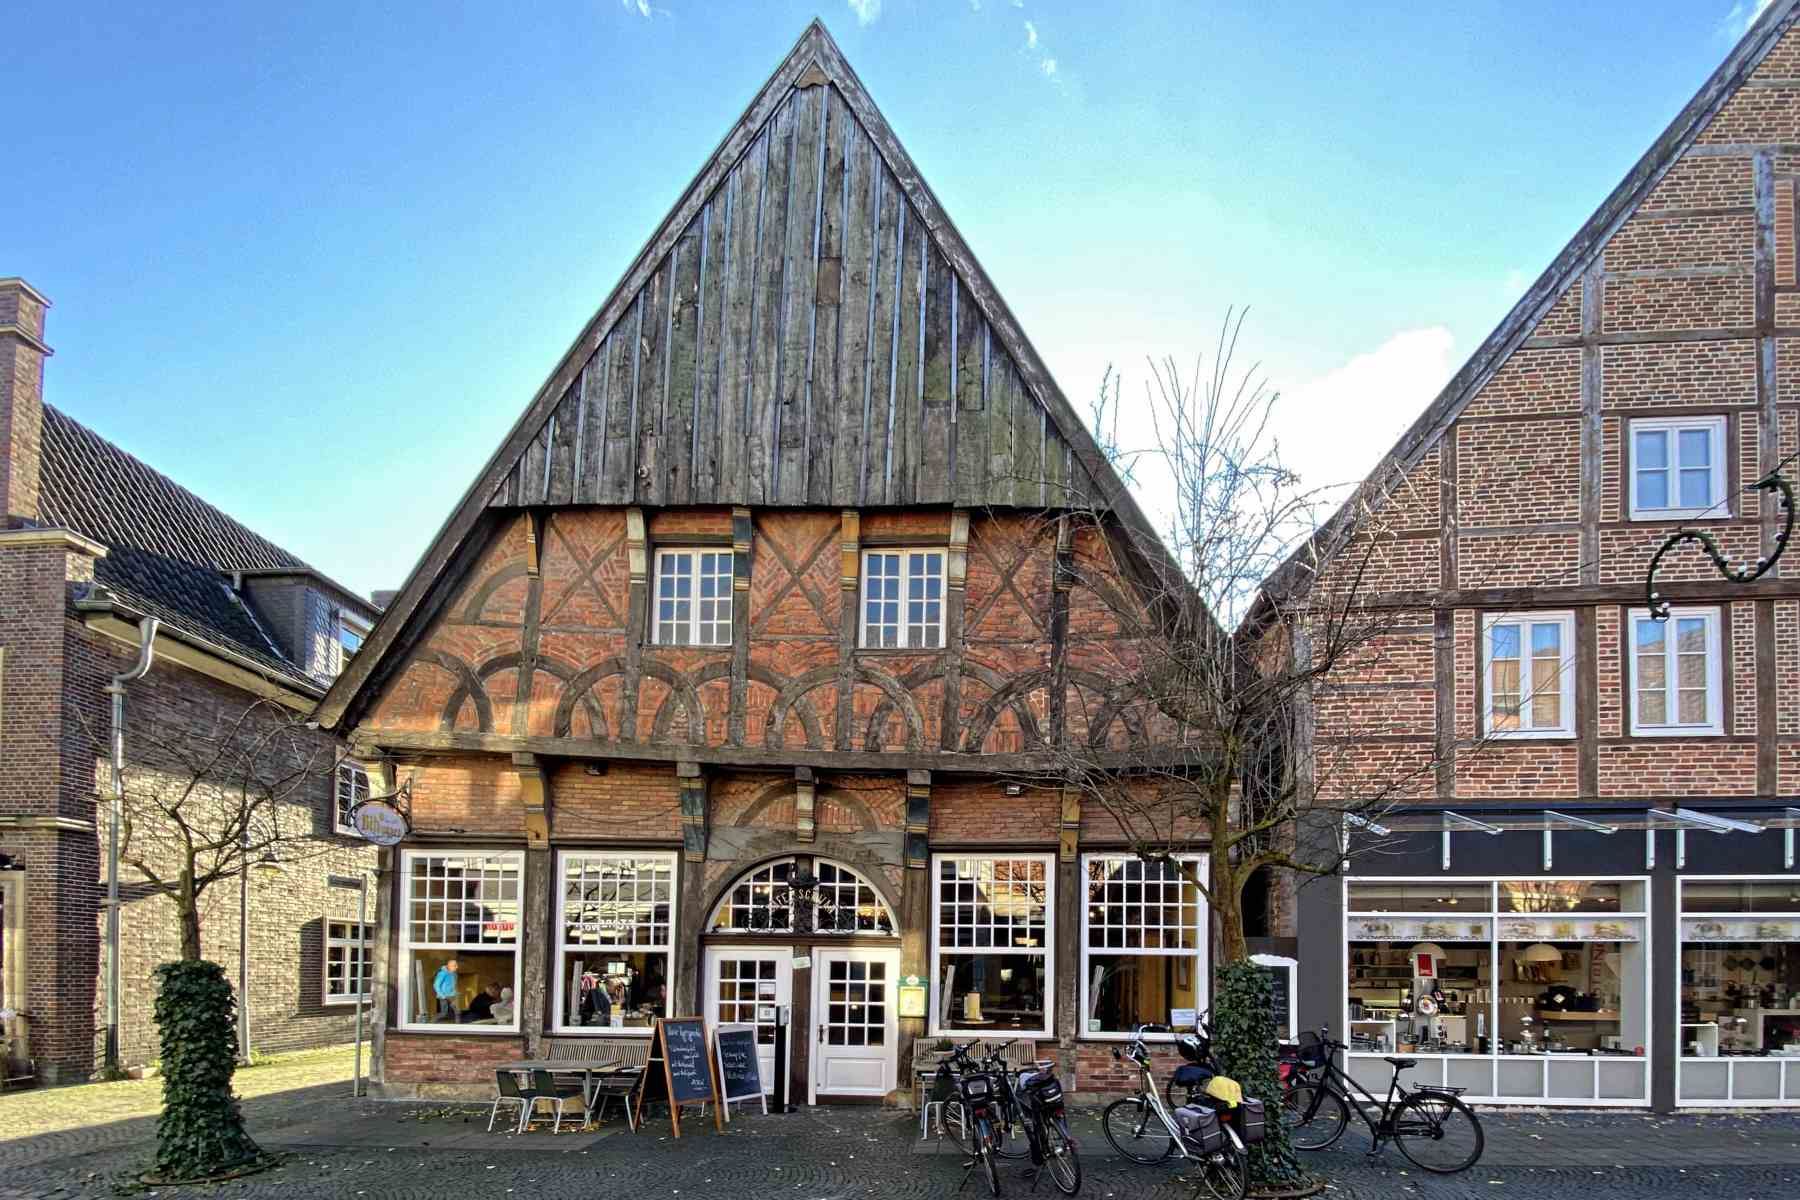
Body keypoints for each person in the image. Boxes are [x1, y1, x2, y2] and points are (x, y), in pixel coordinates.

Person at [433, 958, 460, 1022]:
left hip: (451, 996)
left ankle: (458, 1025)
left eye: (457, 965)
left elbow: (452, 985)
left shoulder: (454, 974)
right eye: (455, 965)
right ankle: (432, 1021)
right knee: (444, 1013)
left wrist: (455, 992)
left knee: (457, 1012)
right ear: (450, 966)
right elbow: (436, 985)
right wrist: (442, 995)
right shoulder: (442, 973)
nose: (457, 967)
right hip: (443, 996)